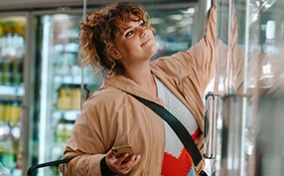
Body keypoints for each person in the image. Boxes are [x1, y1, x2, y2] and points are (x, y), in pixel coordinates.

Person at [60, 1, 219, 175]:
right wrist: (105, 165)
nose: (143, 32)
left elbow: (212, 43)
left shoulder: (175, 70)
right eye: (130, 33)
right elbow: (70, 164)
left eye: (141, 24)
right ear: (114, 52)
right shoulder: (103, 103)